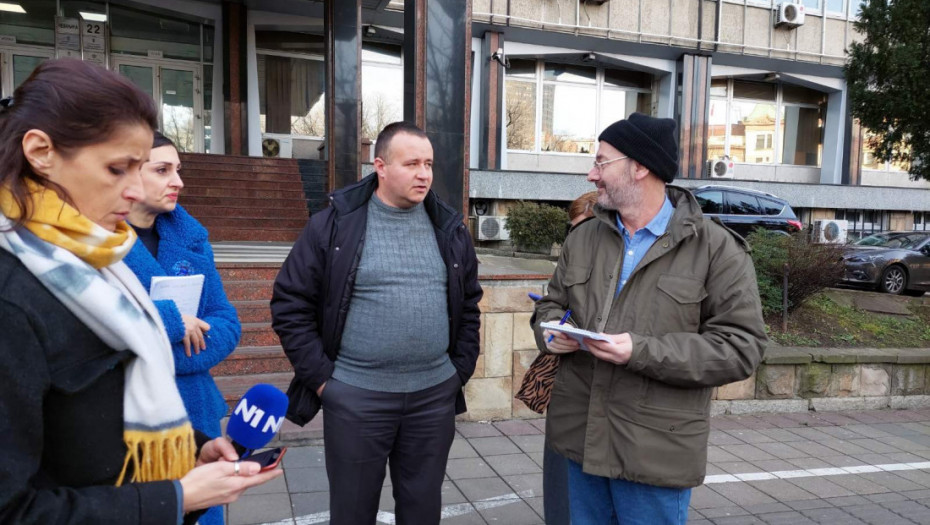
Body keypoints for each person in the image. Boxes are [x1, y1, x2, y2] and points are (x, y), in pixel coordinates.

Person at [0, 59, 281, 525]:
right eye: (117, 169)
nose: (135, 190)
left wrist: (189, 449)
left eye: (140, 168)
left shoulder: (94, 261)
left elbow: (96, 420)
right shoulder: (15, 291)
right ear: (40, 151)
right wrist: (173, 498)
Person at [533, 113, 767, 524]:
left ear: (639, 167)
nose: (592, 175)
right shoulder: (583, 237)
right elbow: (550, 305)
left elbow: (740, 347)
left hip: (654, 451)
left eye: (602, 162)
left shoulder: (716, 250)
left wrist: (639, 351)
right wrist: (551, 333)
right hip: (578, 441)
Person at [271, 121, 483, 524]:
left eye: (429, 164)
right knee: (352, 512)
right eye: (412, 164)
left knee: (422, 510)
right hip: (356, 398)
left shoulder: (449, 228)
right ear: (380, 166)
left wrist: (458, 373)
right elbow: (290, 303)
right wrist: (323, 382)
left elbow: (470, 304)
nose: (424, 174)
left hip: (432, 397)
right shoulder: (334, 225)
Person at [124, 131, 241, 525]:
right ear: (124, 173)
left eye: (178, 169)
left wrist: (161, 352)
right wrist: (173, 325)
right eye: (162, 170)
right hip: (131, 422)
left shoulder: (191, 238)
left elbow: (226, 321)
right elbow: (104, 339)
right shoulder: (96, 243)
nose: (178, 181)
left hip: (197, 415)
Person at [541, 190, 598, 525]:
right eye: (572, 229)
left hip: (613, 399)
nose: (576, 238)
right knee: (562, 497)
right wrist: (547, 331)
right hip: (570, 396)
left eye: (583, 228)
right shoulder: (572, 259)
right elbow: (548, 304)